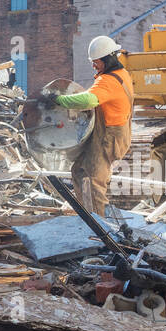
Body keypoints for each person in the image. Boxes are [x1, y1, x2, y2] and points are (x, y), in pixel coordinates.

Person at [44, 35, 134, 214]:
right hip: (111, 134)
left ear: (108, 59)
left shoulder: (108, 81)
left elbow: (88, 100)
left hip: (108, 137)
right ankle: (87, 216)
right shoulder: (121, 74)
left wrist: (59, 99)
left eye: (97, 62)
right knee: (78, 170)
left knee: (94, 180)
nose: (94, 66)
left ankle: (100, 226)